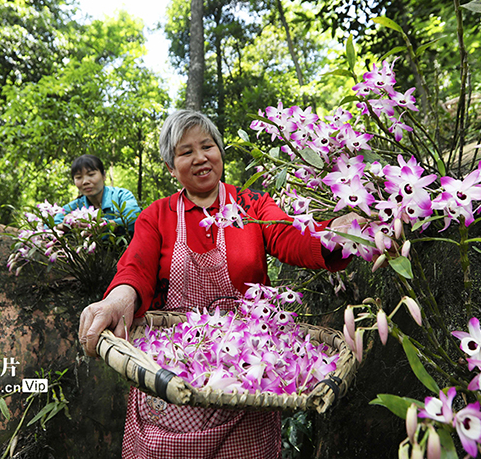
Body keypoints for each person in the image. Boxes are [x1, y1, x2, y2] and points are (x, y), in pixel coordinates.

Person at [78, 111, 363, 459]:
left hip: (249, 378)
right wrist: (116, 301)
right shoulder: (157, 215)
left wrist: (339, 232)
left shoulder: (252, 205)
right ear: (171, 167)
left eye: (207, 146)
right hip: (175, 375)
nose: (200, 158)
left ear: (220, 153)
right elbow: (136, 267)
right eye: (185, 152)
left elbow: (291, 237)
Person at [54, 154, 141, 233]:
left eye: (91, 174)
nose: (85, 182)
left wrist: (107, 225)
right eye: (79, 177)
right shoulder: (74, 206)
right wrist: (64, 226)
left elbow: (134, 219)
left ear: (104, 175)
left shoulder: (121, 196)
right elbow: (50, 226)